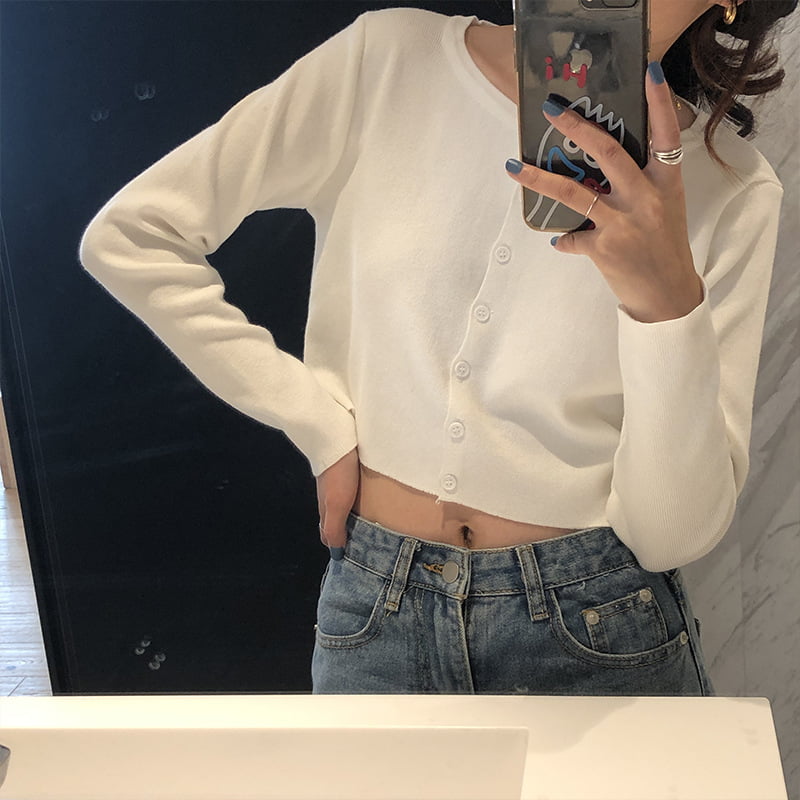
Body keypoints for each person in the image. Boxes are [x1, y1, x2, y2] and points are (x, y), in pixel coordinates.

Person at [79, 0, 795, 695]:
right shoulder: (388, 60)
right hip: (376, 609)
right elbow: (133, 235)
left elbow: (670, 537)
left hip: (600, 625)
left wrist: (666, 305)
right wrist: (316, 421)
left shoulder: (732, 190)